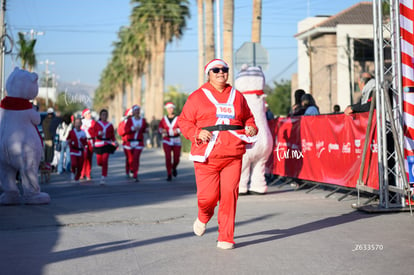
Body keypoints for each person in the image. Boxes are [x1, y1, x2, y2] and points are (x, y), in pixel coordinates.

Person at [178, 58, 258, 250]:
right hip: (207, 155)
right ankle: (204, 216)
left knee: (229, 196)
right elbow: (184, 122)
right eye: (216, 70)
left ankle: (226, 237)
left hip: (233, 154)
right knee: (207, 198)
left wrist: (251, 127)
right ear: (209, 73)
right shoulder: (196, 97)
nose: (221, 72)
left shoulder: (237, 96)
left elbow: (249, 117)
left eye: (225, 69)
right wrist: (197, 133)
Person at [90, 109, 118, 185]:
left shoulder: (110, 125)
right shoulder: (97, 124)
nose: (104, 116)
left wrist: (115, 142)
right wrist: (98, 133)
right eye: (103, 115)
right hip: (99, 144)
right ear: (100, 116)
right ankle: (103, 167)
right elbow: (92, 132)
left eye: (105, 115)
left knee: (105, 160)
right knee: (99, 162)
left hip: (107, 144)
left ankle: (103, 177)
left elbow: (112, 135)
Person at [159, 102, 181, 181]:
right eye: (168, 108)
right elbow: (160, 128)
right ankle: (169, 174)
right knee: (168, 157)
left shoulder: (178, 118)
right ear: (166, 109)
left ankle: (174, 167)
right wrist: (162, 131)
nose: (170, 109)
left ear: (173, 108)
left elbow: (183, 127)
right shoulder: (164, 119)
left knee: (176, 158)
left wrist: (178, 130)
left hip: (176, 139)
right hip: (167, 140)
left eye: (171, 108)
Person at [124, 105, 148, 182]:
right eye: (135, 110)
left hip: (139, 142)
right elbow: (126, 130)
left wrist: (146, 130)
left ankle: (135, 174)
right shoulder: (130, 120)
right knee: (130, 159)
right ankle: (131, 168)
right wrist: (133, 128)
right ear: (133, 112)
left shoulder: (143, 120)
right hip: (130, 142)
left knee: (136, 158)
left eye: (138, 110)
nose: (137, 112)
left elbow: (144, 129)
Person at [67, 118, 87, 182]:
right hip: (73, 150)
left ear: (81, 124)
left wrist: (84, 144)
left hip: (80, 151)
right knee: (74, 163)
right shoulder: (71, 132)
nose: (77, 124)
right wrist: (69, 141)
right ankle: (73, 172)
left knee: (80, 166)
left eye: (79, 123)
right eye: (76, 123)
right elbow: (68, 139)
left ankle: (77, 177)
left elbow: (85, 142)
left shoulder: (83, 133)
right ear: (74, 124)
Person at [118, 108, 133, 178]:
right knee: (128, 157)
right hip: (126, 142)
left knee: (134, 157)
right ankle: (128, 170)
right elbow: (120, 132)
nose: (132, 114)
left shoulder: (135, 121)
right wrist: (127, 130)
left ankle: (133, 170)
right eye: (131, 113)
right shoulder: (123, 122)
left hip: (134, 141)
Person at [80, 108, 95, 180]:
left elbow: (94, 131)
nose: (90, 115)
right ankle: (82, 173)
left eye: (90, 113)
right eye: (88, 113)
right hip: (83, 141)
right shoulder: (81, 122)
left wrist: (88, 129)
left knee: (89, 158)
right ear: (85, 115)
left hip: (90, 141)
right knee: (84, 157)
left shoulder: (92, 122)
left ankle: (88, 173)